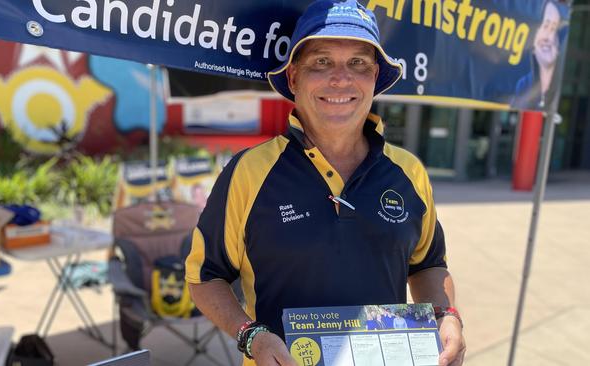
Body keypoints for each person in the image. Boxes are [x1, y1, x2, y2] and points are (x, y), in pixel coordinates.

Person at [185, 1, 465, 365]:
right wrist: (250, 335)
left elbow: (427, 264)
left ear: (374, 78)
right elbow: (205, 277)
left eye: (358, 63)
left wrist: (446, 315)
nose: (341, 78)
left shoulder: (409, 172)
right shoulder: (247, 172)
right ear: (293, 77)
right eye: (321, 61)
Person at [512, 1, 565, 110]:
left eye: (554, 29)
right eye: (545, 26)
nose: (548, 37)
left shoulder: (560, 87)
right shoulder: (522, 85)